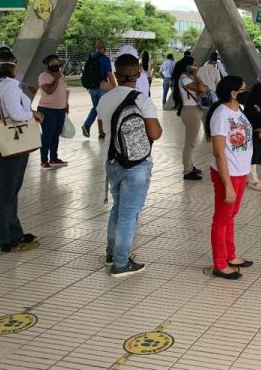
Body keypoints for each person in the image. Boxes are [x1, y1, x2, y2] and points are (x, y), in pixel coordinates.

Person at [97, 54, 163, 277]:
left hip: (112, 161)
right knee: (129, 215)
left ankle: (110, 254)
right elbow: (155, 133)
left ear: (115, 74)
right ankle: (121, 263)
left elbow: (103, 130)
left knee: (117, 209)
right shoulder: (141, 99)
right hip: (136, 165)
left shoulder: (104, 98)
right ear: (139, 74)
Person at [0, 49, 43, 252]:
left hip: (4, 142)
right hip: (13, 142)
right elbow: (17, 114)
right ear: (12, 64)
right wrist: (34, 113)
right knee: (7, 191)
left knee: (11, 189)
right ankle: (1, 237)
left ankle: (13, 231)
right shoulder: (9, 86)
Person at [204, 76, 258, 280]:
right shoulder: (221, 115)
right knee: (222, 217)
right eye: (243, 89)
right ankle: (219, 263)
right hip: (227, 174)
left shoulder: (238, 111)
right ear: (233, 93)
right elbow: (219, 153)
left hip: (240, 171)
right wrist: (227, 185)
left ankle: (230, 255)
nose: (246, 91)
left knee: (230, 216)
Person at [173, 55, 207, 181]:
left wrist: (195, 76)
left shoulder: (187, 78)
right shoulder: (185, 80)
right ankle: (187, 171)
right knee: (190, 143)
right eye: (194, 65)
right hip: (190, 112)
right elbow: (202, 89)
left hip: (192, 110)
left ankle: (190, 166)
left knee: (191, 142)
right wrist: (196, 75)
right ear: (188, 66)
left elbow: (201, 89)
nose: (196, 67)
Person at [37, 54, 69, 170]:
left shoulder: (61, 75)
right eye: (52, 63)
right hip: (47, 109)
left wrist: (66, 104)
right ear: (47, 65)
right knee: (47, 135)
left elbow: (64, 90)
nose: (56, 64)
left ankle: (54, 158)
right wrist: (56, 78)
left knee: (56, 134)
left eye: (57, 62)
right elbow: (49, 91)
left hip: (60, 109)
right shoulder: (43, 76)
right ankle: (43, 160)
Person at [82, 41, 116, 139]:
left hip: (91, 88)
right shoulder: (104, 59)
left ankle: (101, 132)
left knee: (97, 108)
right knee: (101, 108)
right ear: (104, 48)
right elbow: (109, 74)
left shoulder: (91, 57)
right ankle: (88, 125)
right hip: (102, 87)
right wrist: (114, 85)